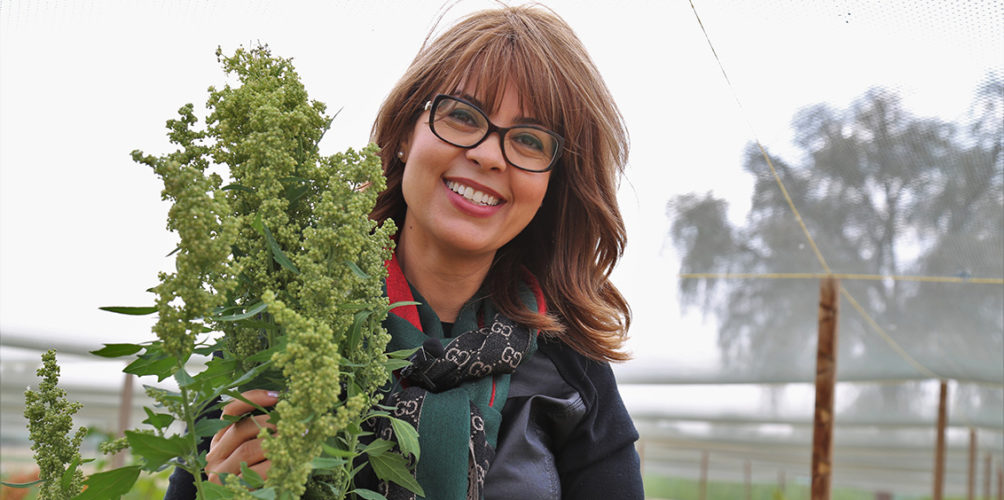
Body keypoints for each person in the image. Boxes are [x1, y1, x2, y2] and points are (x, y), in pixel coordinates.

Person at [166, 5, 642, 499]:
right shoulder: (283, 328)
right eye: (462, 115)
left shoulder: (571, 369)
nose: (487, 154)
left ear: (552, 186)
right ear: (404, 134)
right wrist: (221, 490)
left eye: (528, 140)